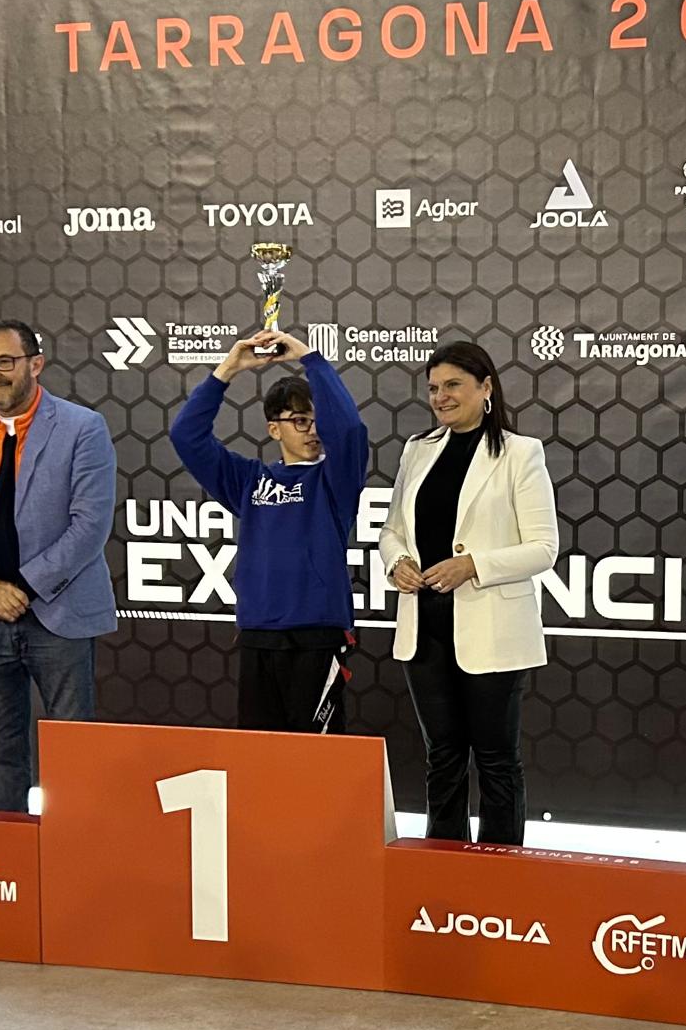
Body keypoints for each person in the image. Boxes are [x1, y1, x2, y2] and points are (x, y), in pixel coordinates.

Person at [0, 319, 116, 812]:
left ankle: (74, 853)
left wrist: (23, 587)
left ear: (35, 364)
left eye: (4, 362)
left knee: (72, 751)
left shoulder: (82, 427)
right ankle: (2, 860)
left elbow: (90, 525)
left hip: (59, 616)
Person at [378, 341, 558, 845]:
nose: (441, 396)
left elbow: (544, 548)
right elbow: (391, 530)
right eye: (434, 387)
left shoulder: (521, 453)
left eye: (453, 385)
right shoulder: (418, 450)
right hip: (425, 628)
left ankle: (501, 873)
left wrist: (473, 565)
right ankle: (443, 863)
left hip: (493, 633)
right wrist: (398, 562)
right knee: (443, 756)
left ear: (486, 388)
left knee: (497, 760)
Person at [171, 329, 369, 732]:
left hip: (317, 638)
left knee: (317, 761)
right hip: (258, 635)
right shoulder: (249, 480)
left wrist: (310, 358)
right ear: (274, 428)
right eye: (299, 420)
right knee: (261, 763)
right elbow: (186, 437)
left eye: (317, 421)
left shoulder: (335, 480)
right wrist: (229, 368)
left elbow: (348, 431)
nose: (312, 431)